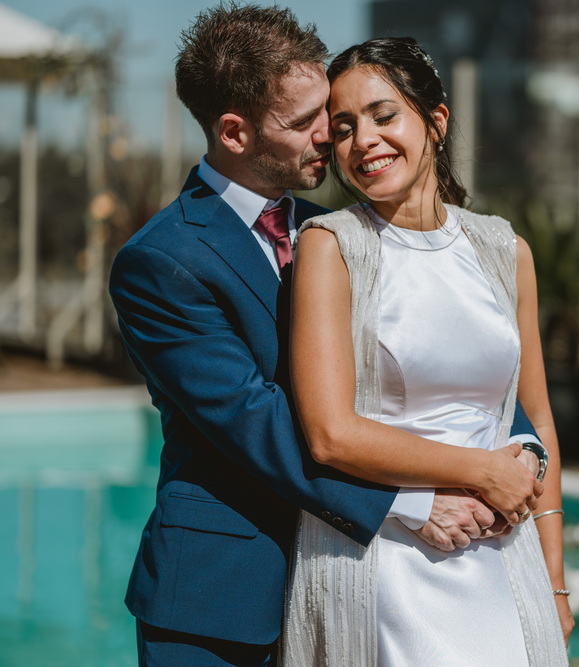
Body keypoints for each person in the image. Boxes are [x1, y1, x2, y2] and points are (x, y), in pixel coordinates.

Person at [108, 5, 544, 665]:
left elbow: (448, 347)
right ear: (234, 131)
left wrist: (522, 445)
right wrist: (411, 500)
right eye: (307, 120)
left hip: (358, 576)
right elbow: (256, 417)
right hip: (225, 597)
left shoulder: (343, 233)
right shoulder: (162, 261)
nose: (331, 135)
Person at [281, 37, 573, 666]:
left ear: (435, 122)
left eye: (384, 116)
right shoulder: (330, 247)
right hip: (386, 569)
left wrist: (553, 579)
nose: (364, 141)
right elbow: (331, 435)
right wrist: (482, 470)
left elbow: (538, 419)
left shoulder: (504, 250)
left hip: (507, 567)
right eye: (344, 127)